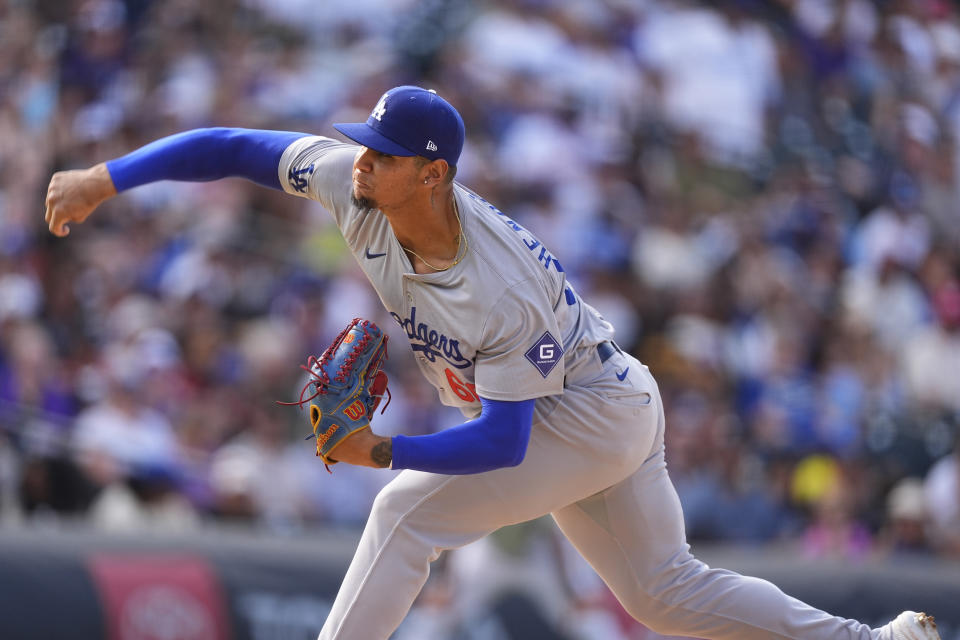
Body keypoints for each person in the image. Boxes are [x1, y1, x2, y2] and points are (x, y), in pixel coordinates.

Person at [44, 85, 939, 640]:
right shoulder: (353, 179)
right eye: (366, 143)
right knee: (665, 595)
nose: (363, 160)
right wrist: (106, 178)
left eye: (386, 155)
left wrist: (383, 453)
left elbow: (505, 444)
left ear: (433, 175)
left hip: (584, 413)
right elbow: (231, 147)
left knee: (403, 513)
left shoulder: (494, 282)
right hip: (595, 396)